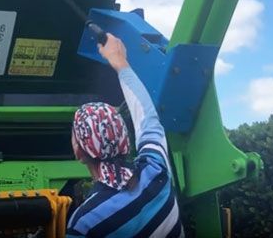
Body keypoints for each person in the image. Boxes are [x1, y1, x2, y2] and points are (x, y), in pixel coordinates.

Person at [66, 34, 185, 237]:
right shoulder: (156, 173)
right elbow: (147, 118)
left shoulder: (85, 223)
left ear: (79, 151)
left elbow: (148, 120)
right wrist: (119, 61)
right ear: (123, 139)